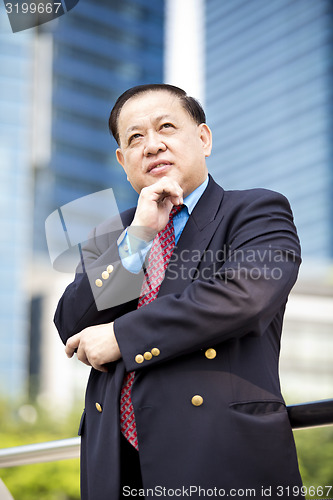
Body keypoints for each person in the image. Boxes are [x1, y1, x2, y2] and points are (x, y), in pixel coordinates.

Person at [54, 84, 304, 499]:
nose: (152, 145)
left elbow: (245, 296)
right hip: (115, 466)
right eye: (135, 138)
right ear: (123, 160)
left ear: (203, 139)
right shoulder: (113, 233)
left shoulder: (256, 209)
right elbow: (71, 323)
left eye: (166, 127)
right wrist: (138, 237)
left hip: (218, 456)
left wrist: (122, 336)